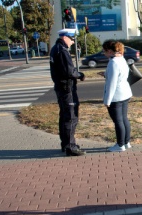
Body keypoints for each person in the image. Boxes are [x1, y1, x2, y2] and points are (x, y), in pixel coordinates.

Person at [50, 28, 86, 156]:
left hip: (61, 87)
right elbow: (69, 71)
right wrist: (80, 75)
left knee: (64, 116)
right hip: (67, 88)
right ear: (65, 37)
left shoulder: (56, 48)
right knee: (71, 117)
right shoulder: (62, 51)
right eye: (71, 39)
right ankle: (70, 146)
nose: (72, 42)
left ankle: (65, 144)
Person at [102, 40, 133, 152]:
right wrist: (106, 74)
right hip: (125, 93)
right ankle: (126, 142)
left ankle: (120, 145)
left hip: (116, 96)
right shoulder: (121, 59)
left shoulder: (113, 62)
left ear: (110, 51)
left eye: (104, 51)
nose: (104, 53)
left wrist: (107, 100)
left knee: (118, 121)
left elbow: (112, 83)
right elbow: (120, 74)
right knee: (124, 119)